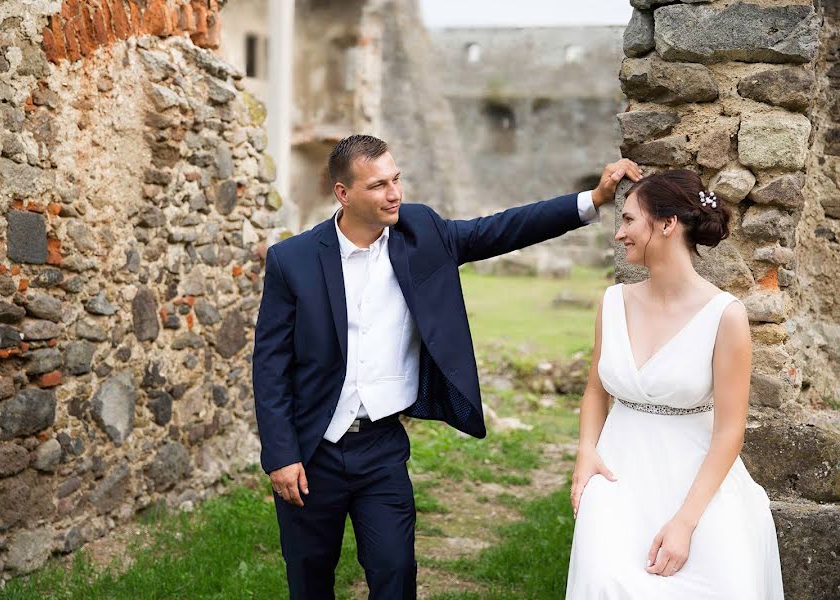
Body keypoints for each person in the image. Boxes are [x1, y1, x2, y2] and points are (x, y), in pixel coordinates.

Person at [253, 133, 640, 599]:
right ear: (343, 194)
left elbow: (501, 229)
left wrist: (591, 200)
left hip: (382, 447)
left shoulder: (422, 234)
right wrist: (281, 454)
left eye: (396, 179)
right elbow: (270, 365)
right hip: (312, 449)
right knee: (310, 578)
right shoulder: (292, 260)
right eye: (377, 185)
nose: (394, 193)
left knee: (395, 572)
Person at [566, 169, 784, 599]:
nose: (619, 234)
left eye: (629, 220)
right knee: (605, 585)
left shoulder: (726, 315)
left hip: (697, 487)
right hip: (616, 481)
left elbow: (729, 430)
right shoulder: (613, 303)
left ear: (667, 224)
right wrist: (586, 452)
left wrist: (685, 522)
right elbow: (595, 391)